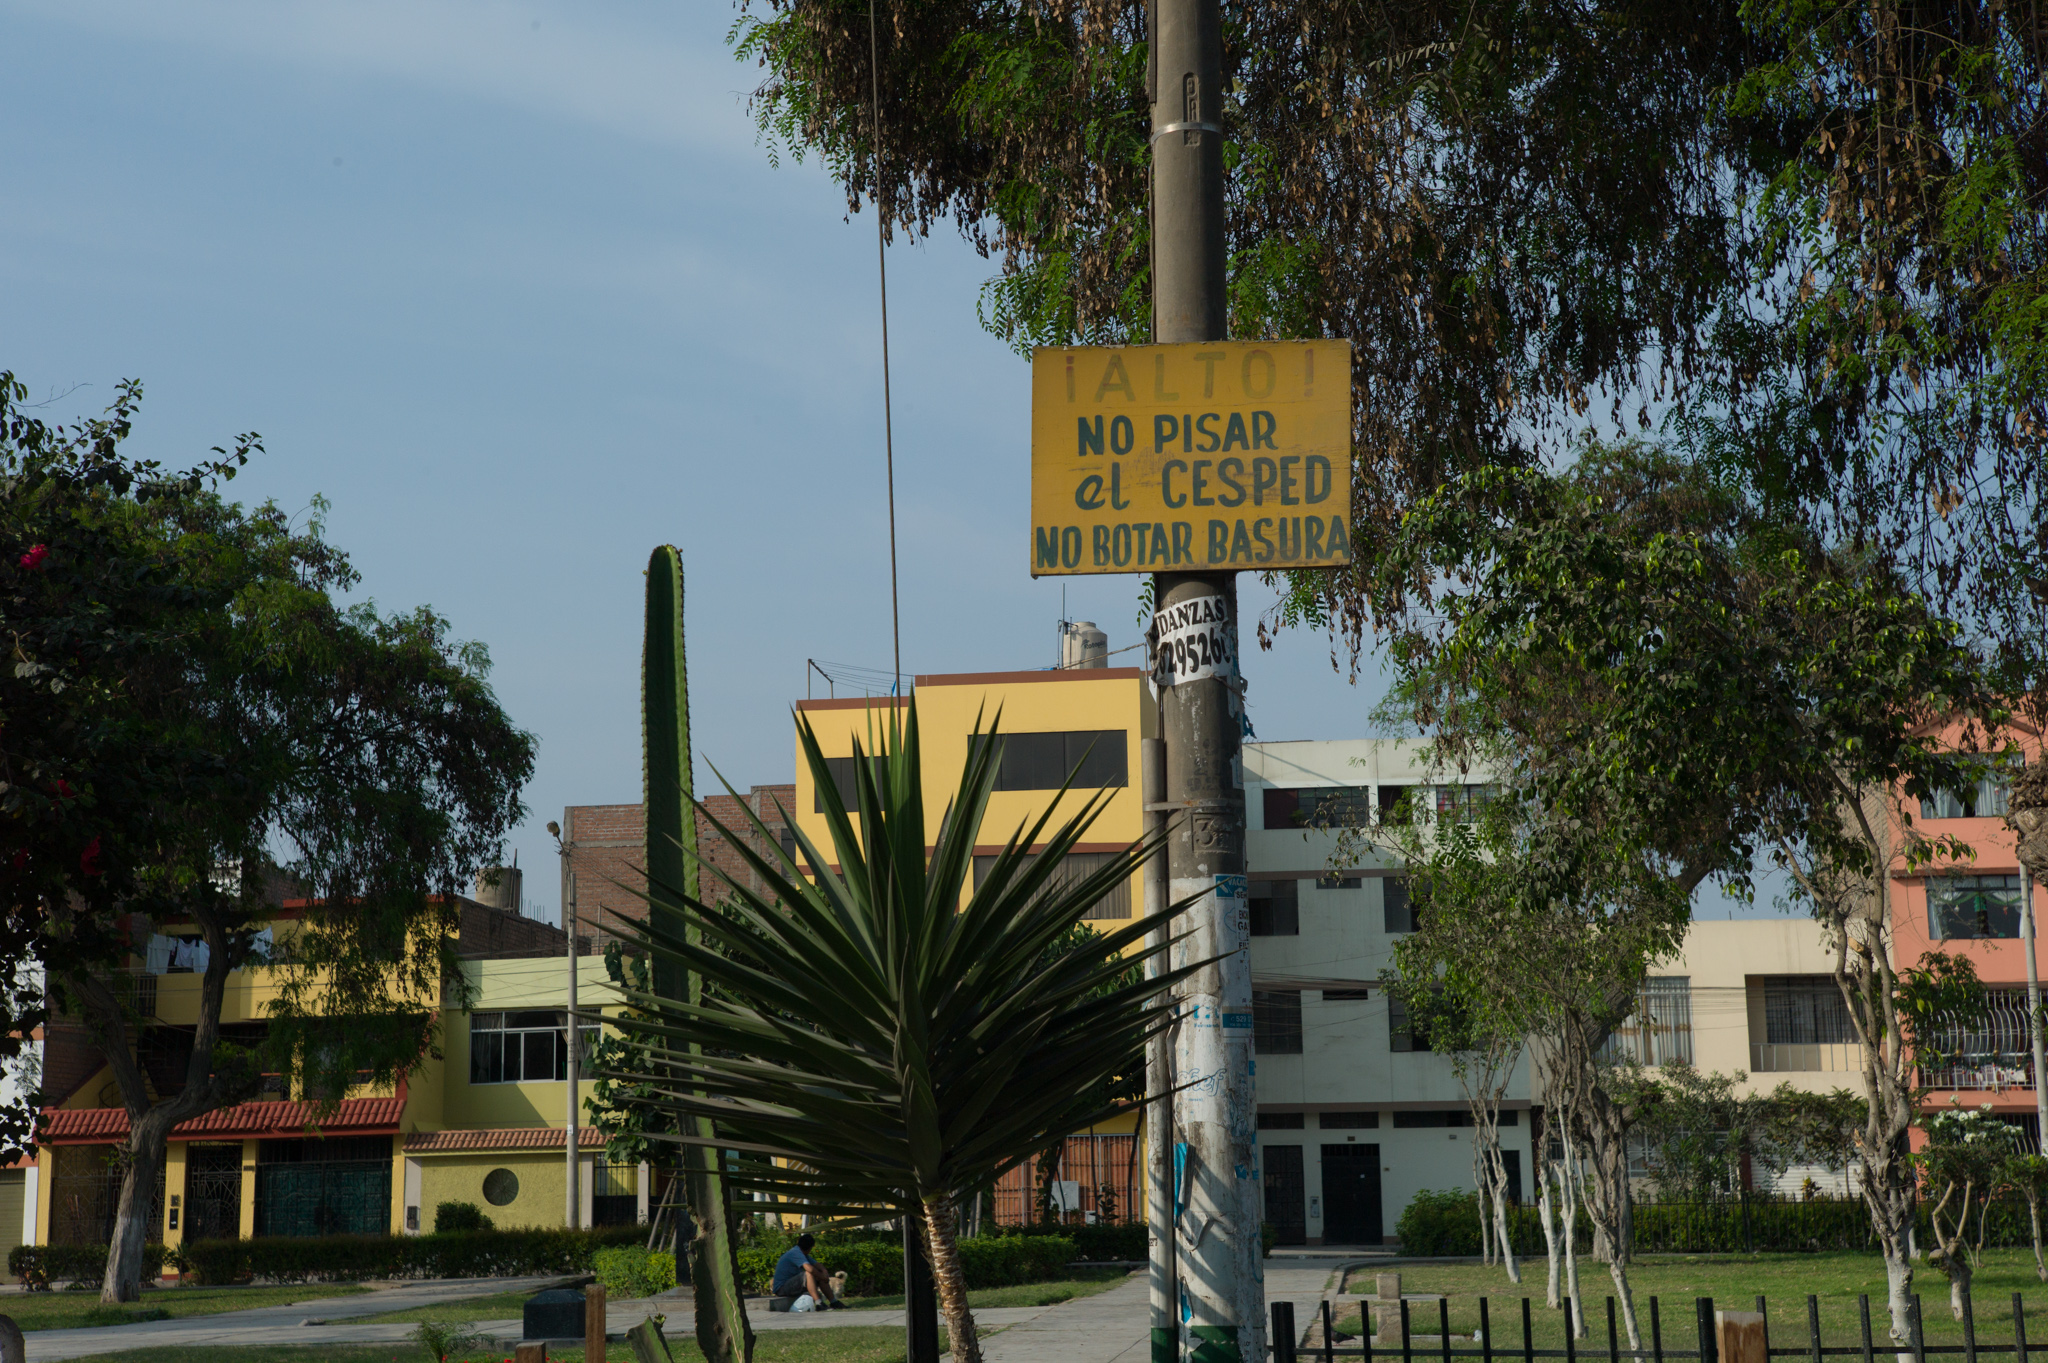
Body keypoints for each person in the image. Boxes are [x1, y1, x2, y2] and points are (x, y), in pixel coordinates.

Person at [771, 1233, 845, 1309]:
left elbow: (817, 1264)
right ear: (810, 1248)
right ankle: (819, 1303)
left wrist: (824, 1271)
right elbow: (810, 1269)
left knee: (818, 1275)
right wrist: (823, 1277)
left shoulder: (802, 1253)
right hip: (781, 1289)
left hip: (791, 1286)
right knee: (808, 1274)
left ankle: (833, 1302)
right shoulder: (795, 1253)